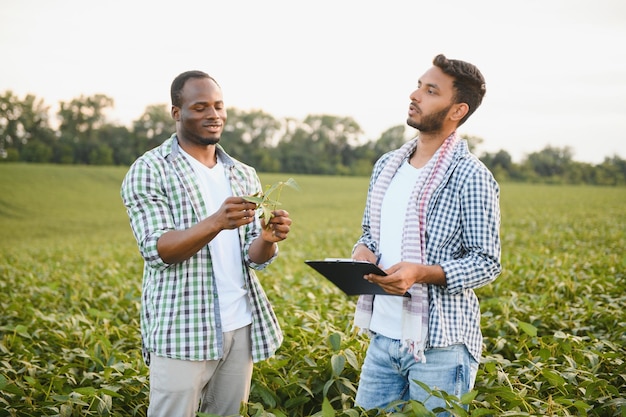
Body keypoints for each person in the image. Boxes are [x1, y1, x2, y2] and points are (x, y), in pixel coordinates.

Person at [120, 70, 291, 417]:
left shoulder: (242, 173)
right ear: (176, 113)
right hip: (182, 327)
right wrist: (216, 221)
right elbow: (158, 250)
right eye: (200, 107)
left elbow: (253, 257)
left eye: (218, 106)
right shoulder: (150, 170)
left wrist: (268, 240)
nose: (213, 115)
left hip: (239, 324)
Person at [351, 54, 501, 413]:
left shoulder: (471, 175)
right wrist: (362, 252)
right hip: (383, 337)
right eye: (419, 85)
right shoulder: (387, 165)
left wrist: (421, 273)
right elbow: (371, 233)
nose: (415, 95)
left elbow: (486, 263)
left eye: (431, 91)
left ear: (457, 110)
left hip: (441, 346)